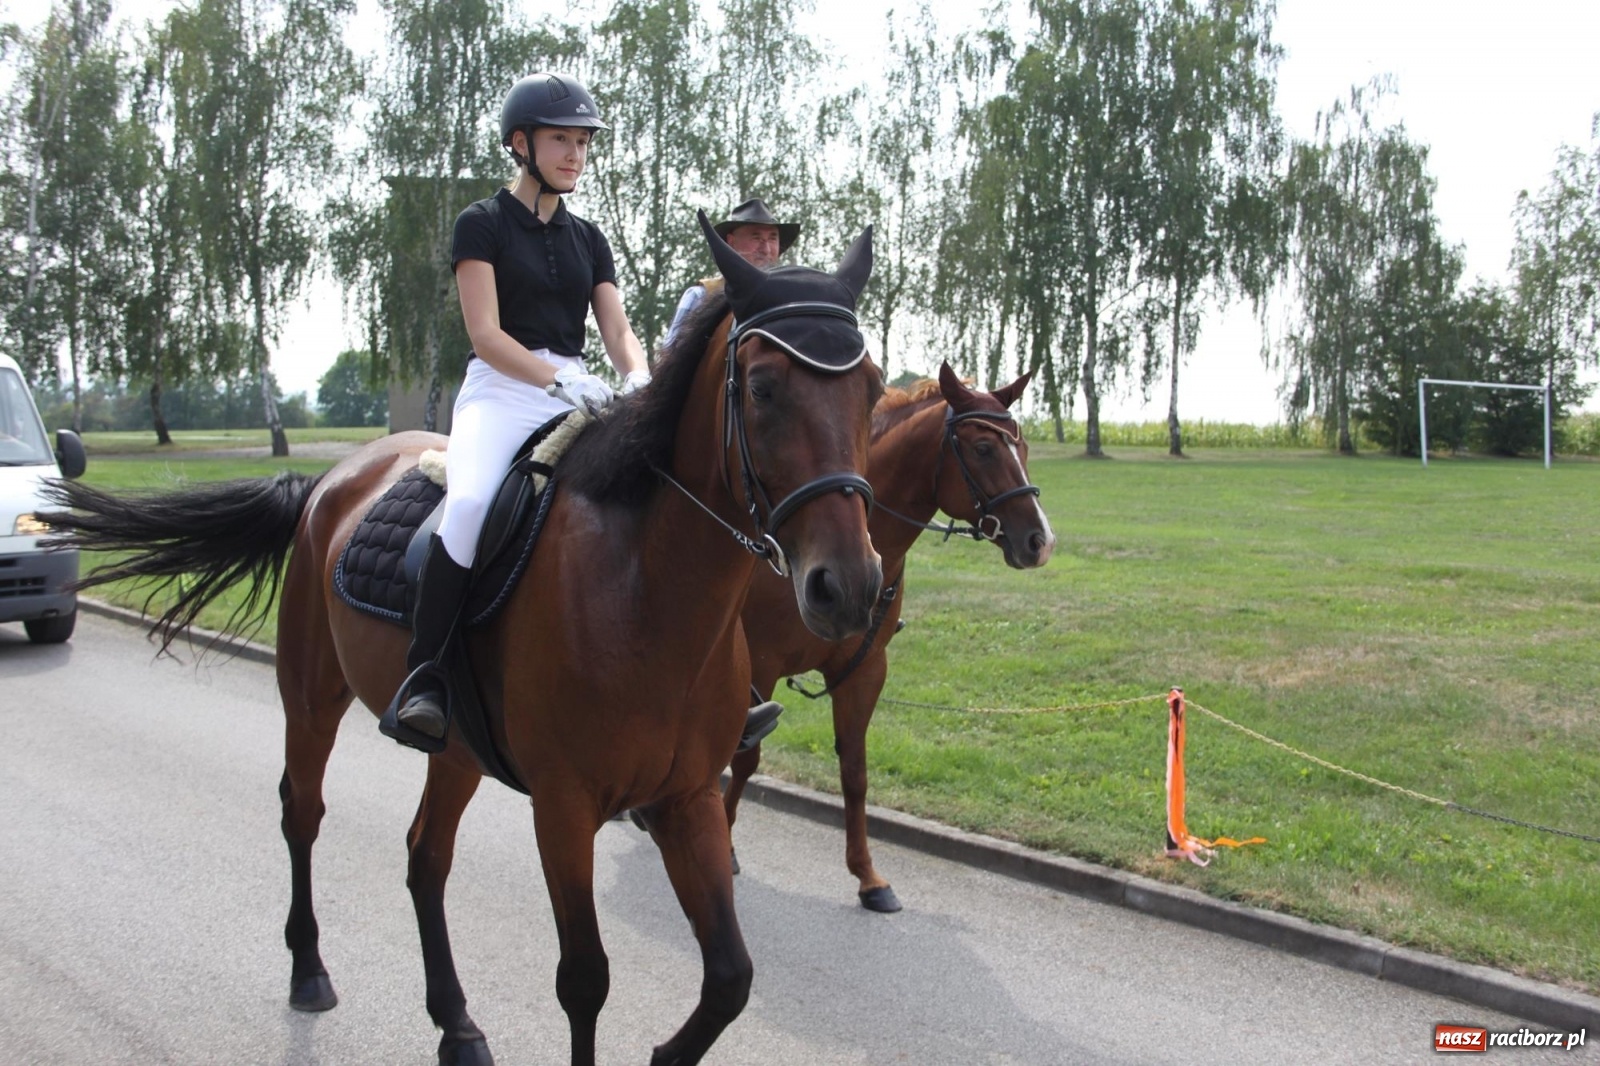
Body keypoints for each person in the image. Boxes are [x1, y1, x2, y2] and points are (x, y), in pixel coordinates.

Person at [382, 74, 781, 757]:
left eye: (583, 141)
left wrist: (638, 380)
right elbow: (486, 335)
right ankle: (426, 677)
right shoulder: (480, 224)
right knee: (473, 501)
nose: (575, 153)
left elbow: (618, 328)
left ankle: (716, 686)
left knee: (668, 502)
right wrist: (558, 377)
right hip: (502, 392)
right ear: (520, 143)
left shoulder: (589, 238)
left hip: (581, 387)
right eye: (561, 139)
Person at [662, 197, 800, 348]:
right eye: (756, 237)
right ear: (731, 242)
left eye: (772, 239)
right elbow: (671, 358)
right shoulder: (701, 296)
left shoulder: (790, 304)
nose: (766, 249)